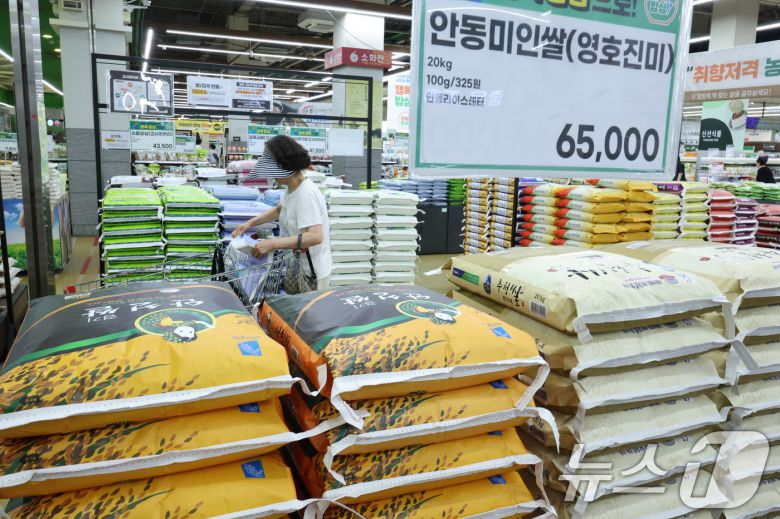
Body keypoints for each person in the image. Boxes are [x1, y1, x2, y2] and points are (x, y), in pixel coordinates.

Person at [232, 135, 332, 290]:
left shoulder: (306, 193)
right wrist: (250, 223)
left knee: (308, 313)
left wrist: (272, 244)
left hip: (312, 273)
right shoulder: (292, 188)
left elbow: (316, 236)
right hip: (298, 266)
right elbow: (279, 210)